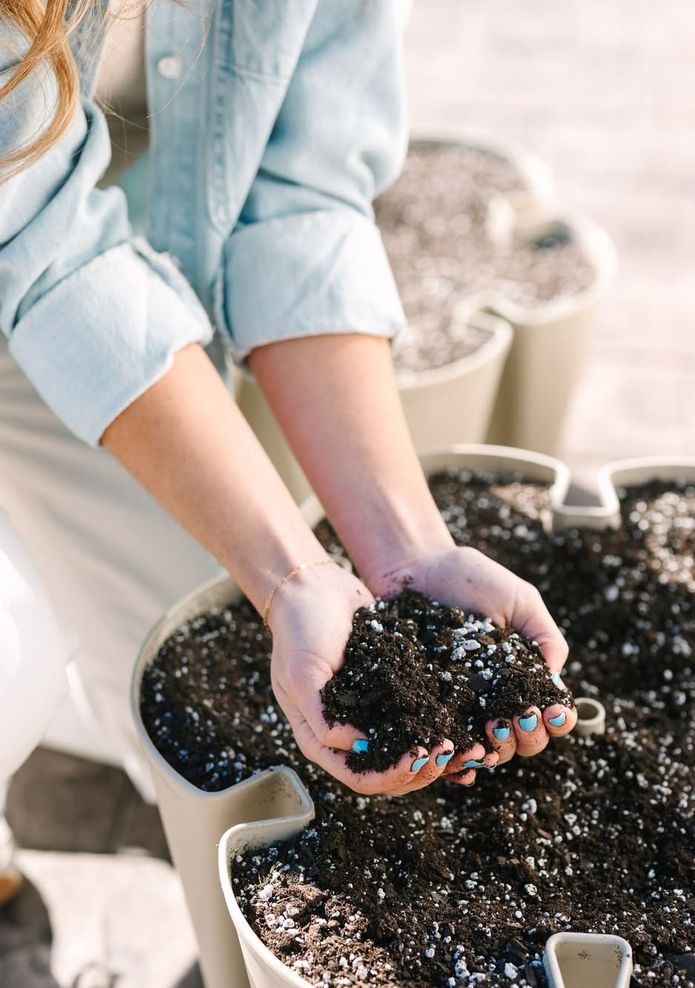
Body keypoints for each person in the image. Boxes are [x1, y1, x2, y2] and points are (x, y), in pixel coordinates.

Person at [0, 0, 578, 898]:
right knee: (13, 665)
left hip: (108, 243)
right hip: (21, 243)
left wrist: (399, 550)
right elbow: (46, 253)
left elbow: (301, 189)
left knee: (166, 633)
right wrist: (285, 573)